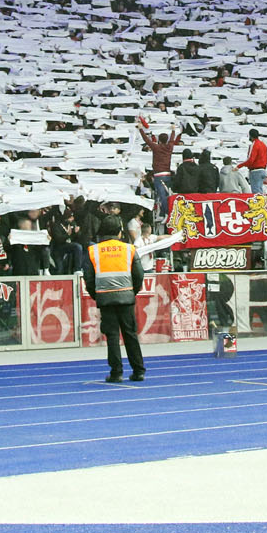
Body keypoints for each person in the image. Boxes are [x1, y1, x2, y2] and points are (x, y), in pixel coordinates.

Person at [84, 214, 145, 383]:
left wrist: (96, 295)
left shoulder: (93, 250)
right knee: (130, 334)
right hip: (126, 296)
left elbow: (88, 279)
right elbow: (139, 275)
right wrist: (132, 292)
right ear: (119, 232)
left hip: (105, 298)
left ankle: (116, 372)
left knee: (112, 336)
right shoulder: (129, 249)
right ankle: (138, 371)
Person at [136, 119, 180, 215]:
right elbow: (172, 140)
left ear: (159, 140)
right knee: (166, 195)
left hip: (158, 175)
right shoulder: (170, 147)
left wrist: (140, 129)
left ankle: (165, 213)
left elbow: (146, 140)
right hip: (167, 174)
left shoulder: (156, 147)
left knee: (161, 196)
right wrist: (173, 130)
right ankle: (166, 212)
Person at [237, 128, 267, 195]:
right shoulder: (263, 145)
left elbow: (250, 160)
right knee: (260, 190)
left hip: (255, 171)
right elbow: (266, 158)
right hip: (262, 170)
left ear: (250, 136)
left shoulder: (254, 145)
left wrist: (239, 166)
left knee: (256, 192)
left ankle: (258, 205)